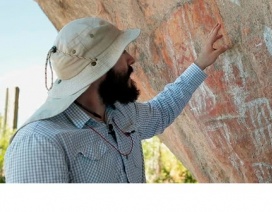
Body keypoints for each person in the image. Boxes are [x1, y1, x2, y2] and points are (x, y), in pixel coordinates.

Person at [4, 17, 230, 183]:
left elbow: (161, 112)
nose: (131, 58)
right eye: (121, 52)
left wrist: (199, 64)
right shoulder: (39, 143)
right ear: (98, 69)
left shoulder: (119, 113)